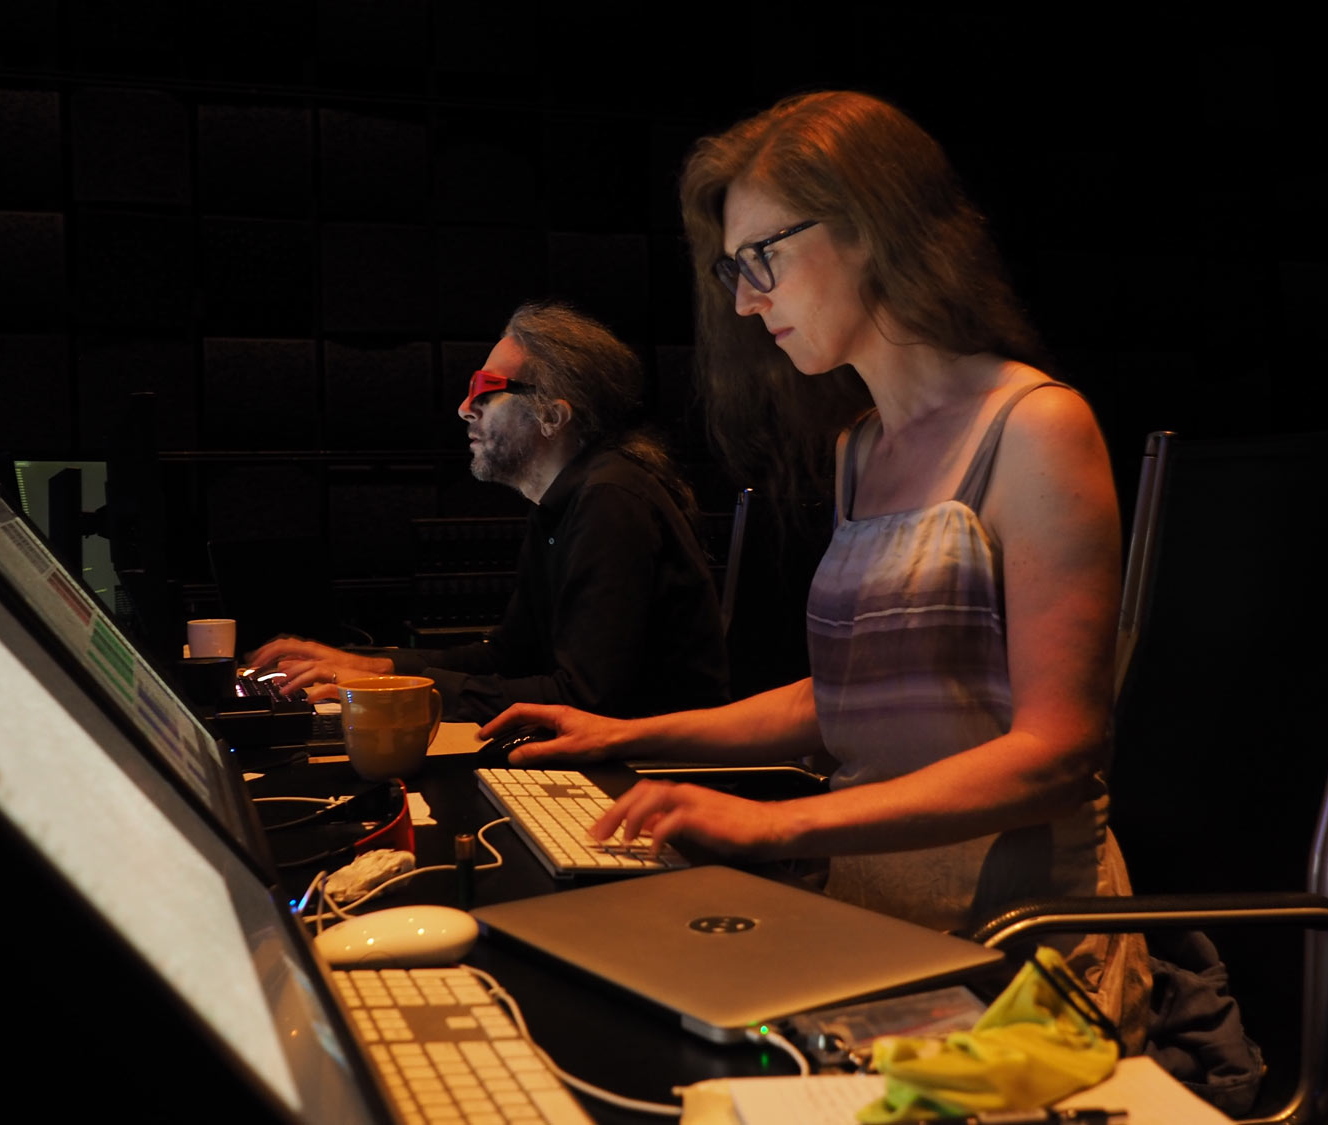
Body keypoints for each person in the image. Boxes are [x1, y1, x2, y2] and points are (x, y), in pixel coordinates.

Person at [477, 92, 1149, 1037]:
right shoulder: (859, 449)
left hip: (1021, 960)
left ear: (873, 226)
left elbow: (1057, 754)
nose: (748, 300)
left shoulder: (1036, 427)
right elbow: (844, 700)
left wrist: (775, 824)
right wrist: (619, 735)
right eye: (734, 271)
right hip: (870, 930)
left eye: (764, 259)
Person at [247, 301, 729, 724]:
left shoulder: (611, 502)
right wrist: (374, 667)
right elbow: (509, 657)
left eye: (486, 388)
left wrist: (394, 689)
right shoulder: (564, 500)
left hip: (665, 772)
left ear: (552, 416)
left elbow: (584, 698)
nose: (464, 408)